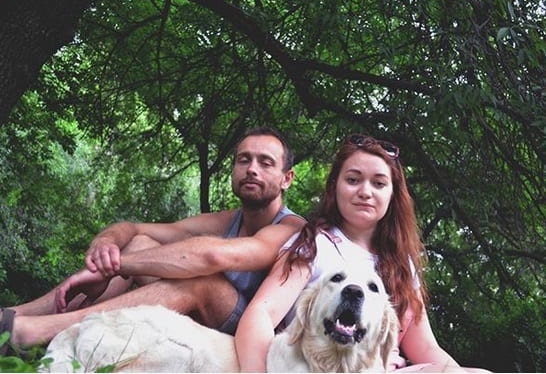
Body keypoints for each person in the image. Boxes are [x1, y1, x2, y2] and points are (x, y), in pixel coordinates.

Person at [0, 126, 305, 351]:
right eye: (244, 160)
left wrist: (118, 265)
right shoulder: (226, 219)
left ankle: (37, 332)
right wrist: (105, 246)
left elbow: (211, 257)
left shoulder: (293, 228)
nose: (252, 169)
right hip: (210, 322)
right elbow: (133, 228)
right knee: (140, 246)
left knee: (201, 279)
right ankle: (14, 316)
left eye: (265, 163)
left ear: (286, 178)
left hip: (259, 339)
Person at [234, 134, 489, 373]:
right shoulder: (314, 246)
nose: (365, 192)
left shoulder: (402, 263)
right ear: (335, 186)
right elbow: (261, 315)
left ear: (392, 194)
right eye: (353, 180)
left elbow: (425, 348)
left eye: (378, 183)